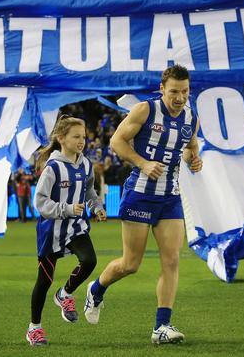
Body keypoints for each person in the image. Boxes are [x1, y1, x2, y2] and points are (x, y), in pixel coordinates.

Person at [83, 64, 202, 344]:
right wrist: (143, 163)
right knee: (130, 264)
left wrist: (193, 159)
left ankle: (162, 327)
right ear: (162, 89)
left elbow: (189, 146)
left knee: (171, 260)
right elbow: (117, 141)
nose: (179, 97)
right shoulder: (145, 110)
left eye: (184, 91)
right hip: (139, 193)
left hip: (169, 197)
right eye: (174, 91)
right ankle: (96, 290)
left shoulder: (191, 117)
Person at [25, 116, 107, 347]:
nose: (82, 141)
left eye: (84, 136)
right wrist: (67, 208)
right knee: (44, 281)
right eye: (76, 136)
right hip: (51, 231)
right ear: (61, 138)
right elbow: (40, 202)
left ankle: (65, 293)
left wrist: (97, 206)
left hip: (76, 227)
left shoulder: (86, 164)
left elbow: (89, 190)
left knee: (89, 260)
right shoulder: (52, 168)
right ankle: (35, 328)